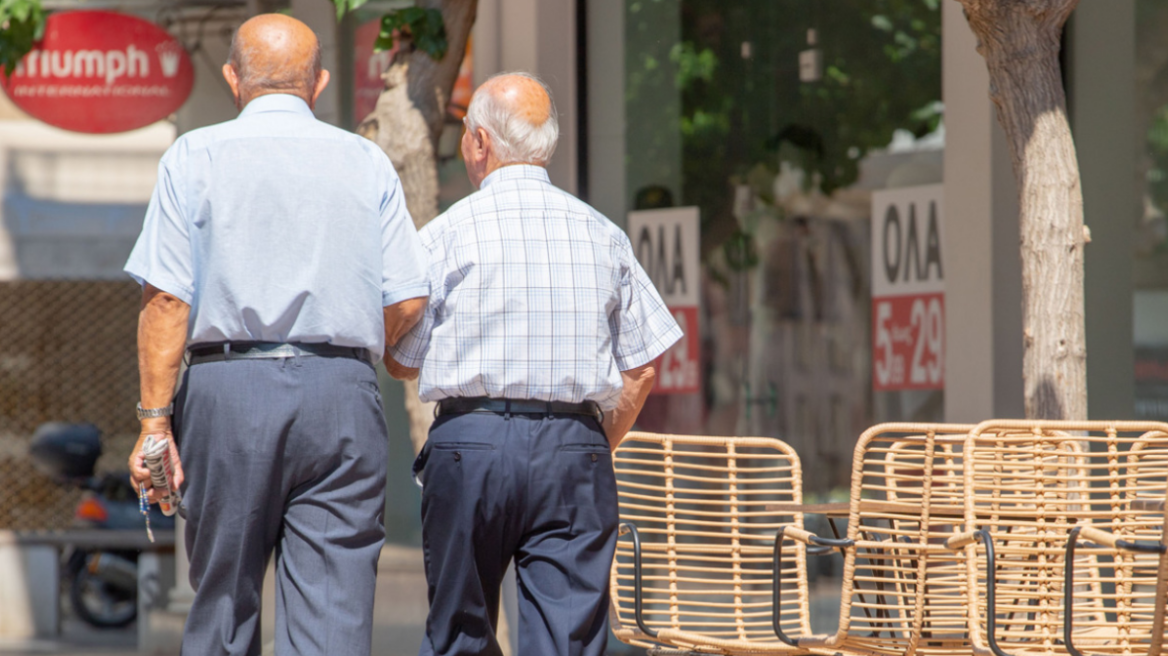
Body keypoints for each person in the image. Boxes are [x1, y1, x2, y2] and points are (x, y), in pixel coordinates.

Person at [124, 14, 428, 656]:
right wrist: (350, 355)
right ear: (317, 83)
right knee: (333, 618)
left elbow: (166, 301)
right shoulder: (366, 160)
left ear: (233, 78)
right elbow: (407, 298)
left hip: (227, 394)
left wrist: (155, 424)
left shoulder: (193, 155)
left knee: (223, 605)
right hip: (341, 393)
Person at [387, 72, 683, 656]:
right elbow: (643, 367)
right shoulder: (604, 234)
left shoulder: (444, 234)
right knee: (568, 638)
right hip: (575, 446)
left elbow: (402, 359)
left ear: (479, 143)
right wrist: (592, 442)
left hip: (471, 442)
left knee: (459, 633)